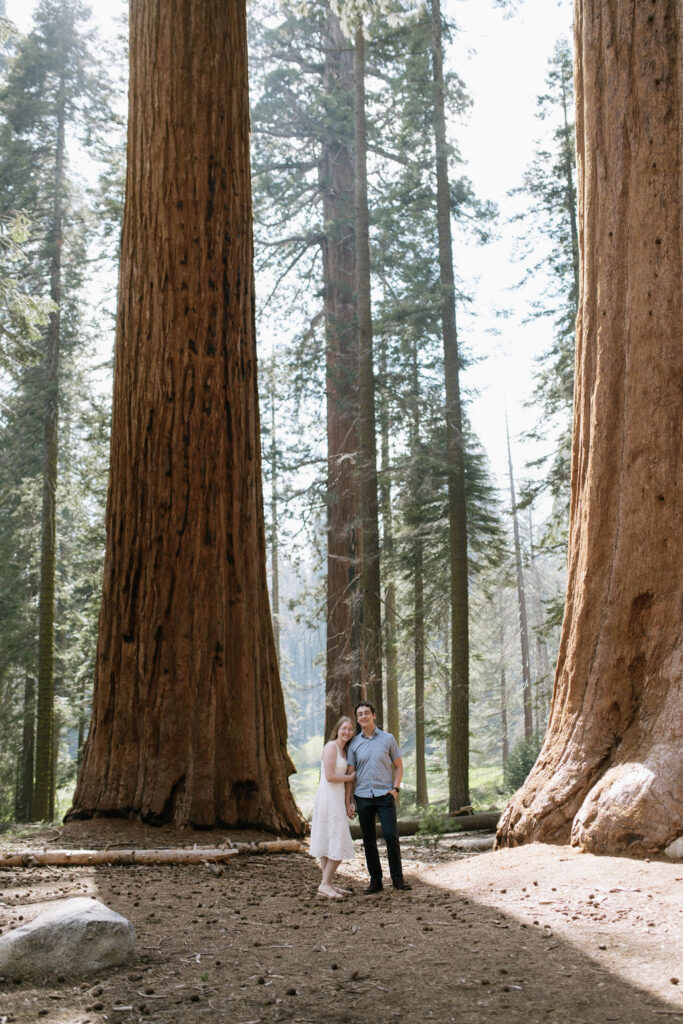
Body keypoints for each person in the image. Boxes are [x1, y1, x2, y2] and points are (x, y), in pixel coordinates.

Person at [345, 701, 412, 893]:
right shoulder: (354, 744)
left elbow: (399, 766)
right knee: (369, 840)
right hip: (363, 796)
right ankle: (376, 881)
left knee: (391, 836)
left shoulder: (388, 739)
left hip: (384, 795)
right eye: (360, 714)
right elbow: (351, 774)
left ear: (374, 715)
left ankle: (398, 879)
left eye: (367, 713)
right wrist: (350, 800)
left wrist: (395, 789)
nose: (363, 717)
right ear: (357, 719)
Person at [308, 716, 357, 898]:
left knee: (331, 838)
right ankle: (325, 883)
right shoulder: (331, 747)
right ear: (337, 729)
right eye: (344, 728)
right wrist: (351, 777)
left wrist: (347, 803)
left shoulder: (346, 752)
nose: (347, 732)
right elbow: (329, 776)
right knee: (338, 838)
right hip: (327, 798)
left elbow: (345, 785)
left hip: (337, 799)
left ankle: (327, 883)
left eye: (350, 729)